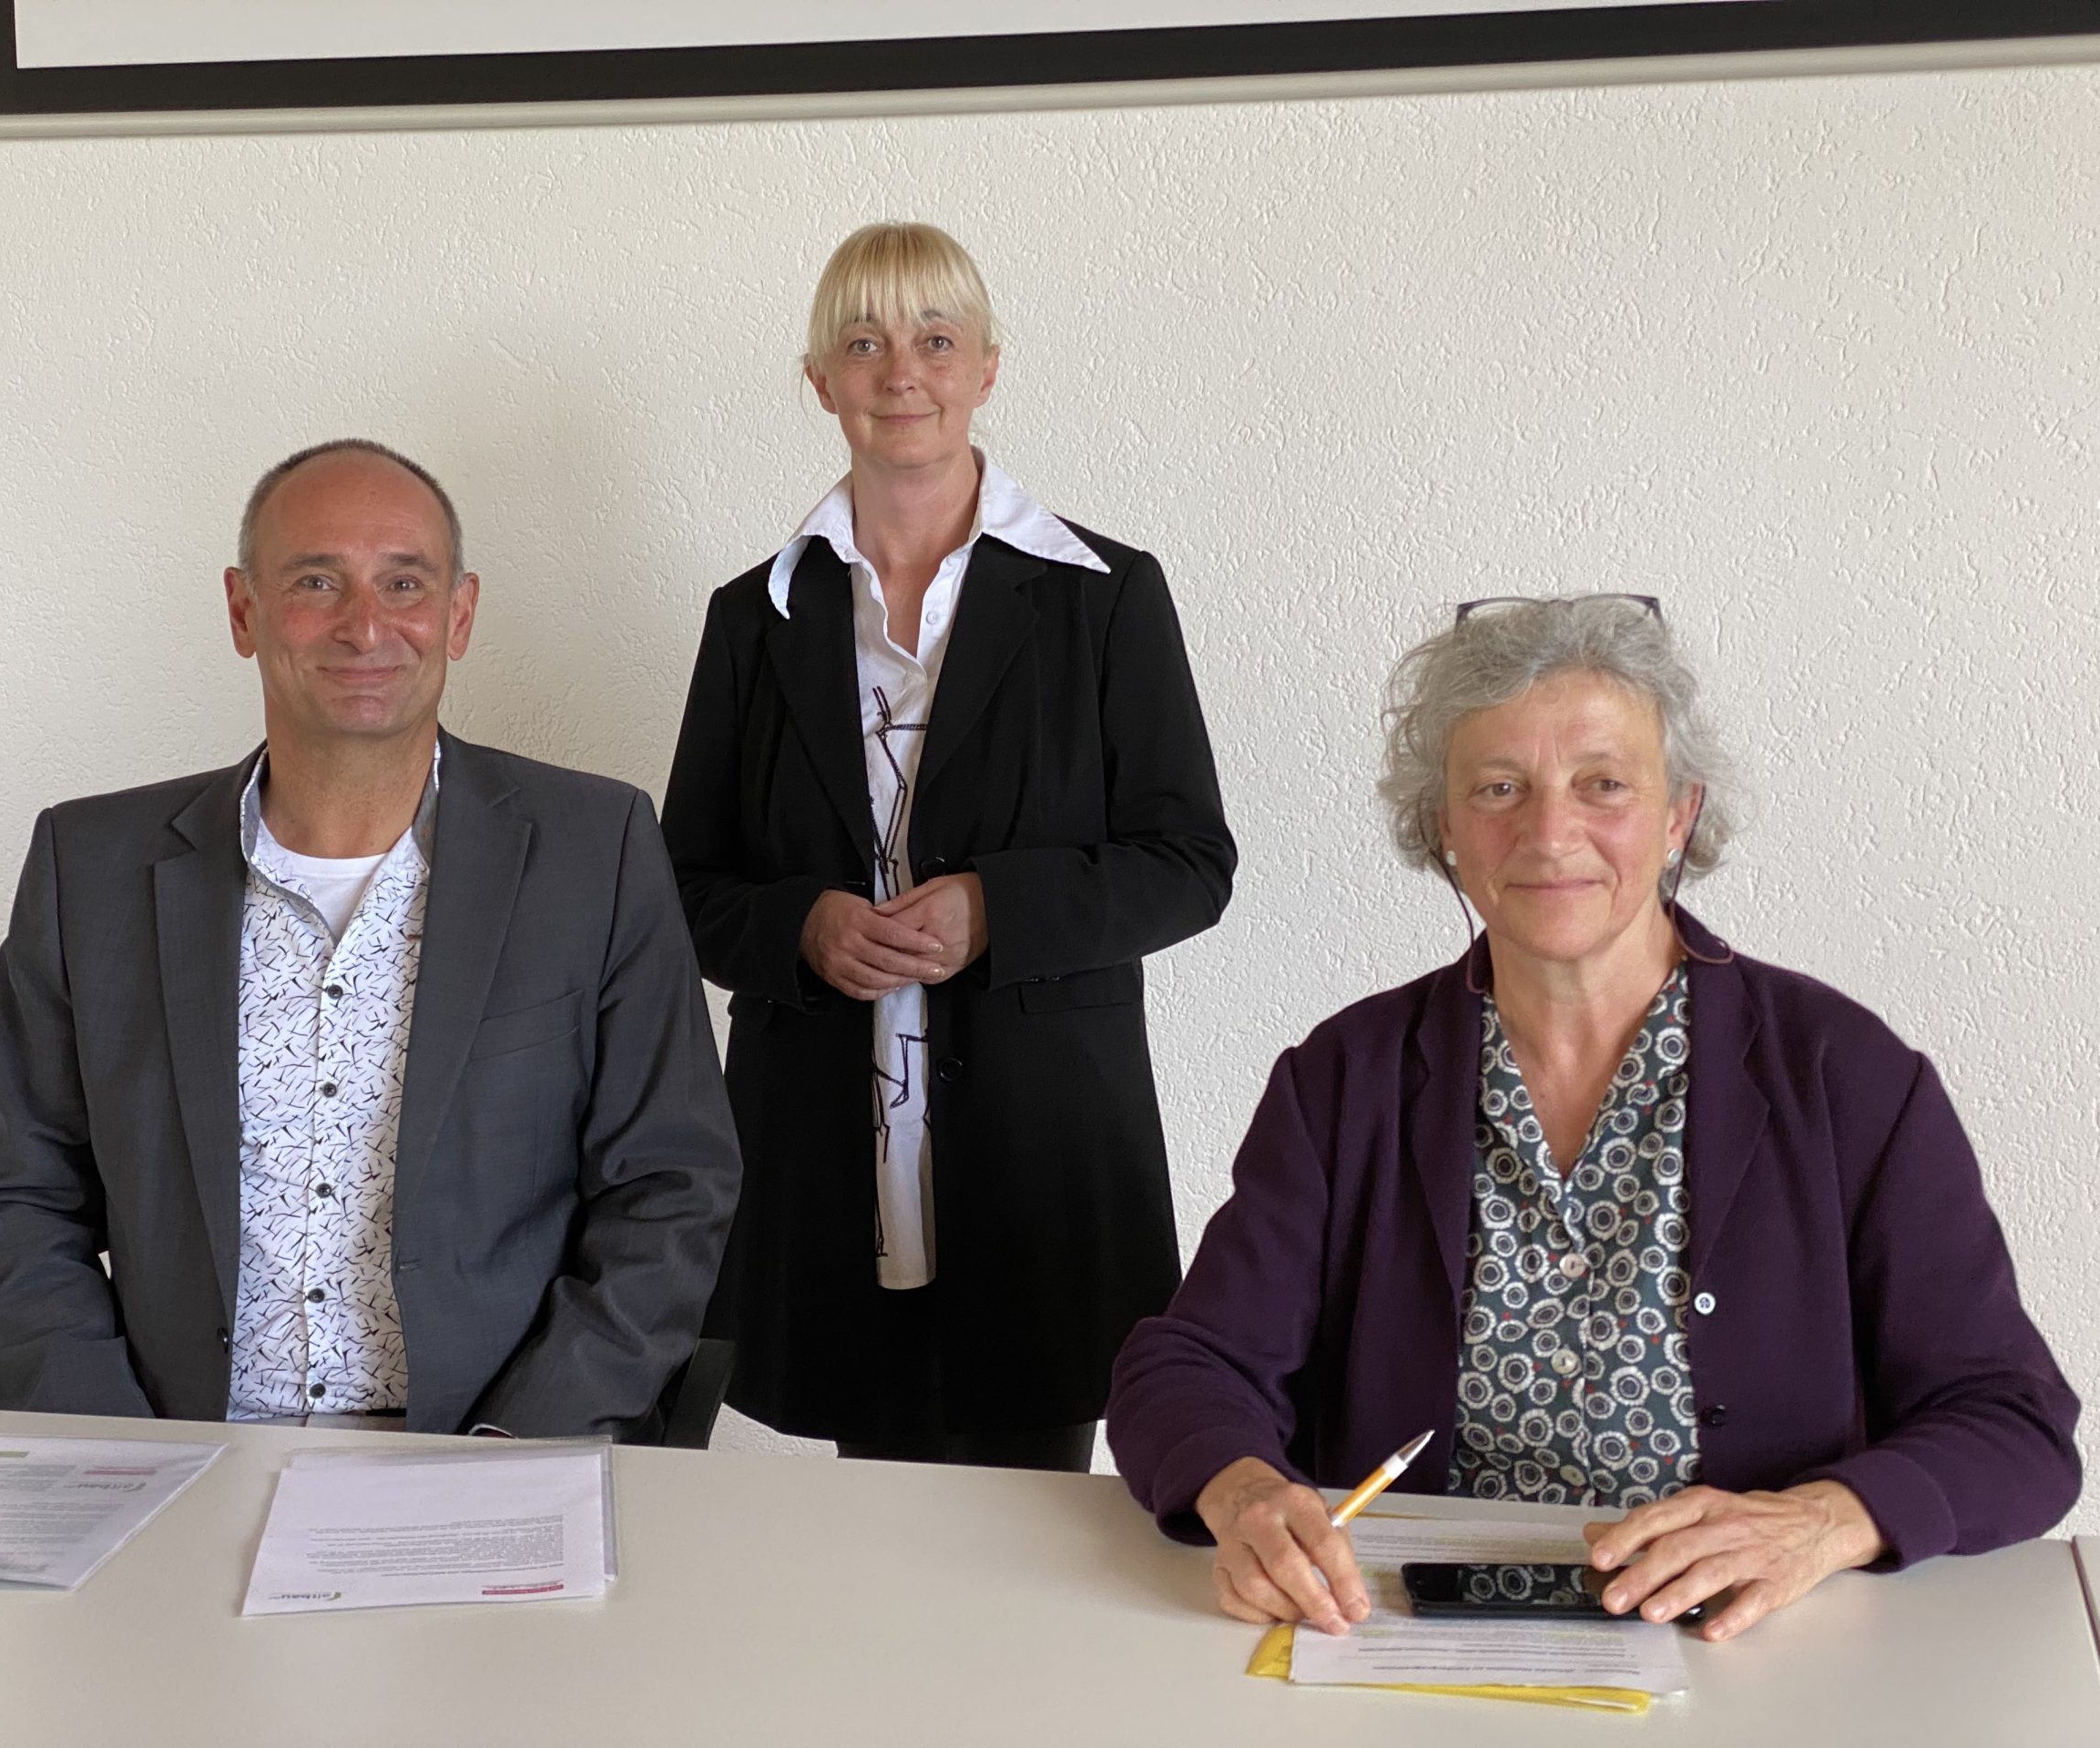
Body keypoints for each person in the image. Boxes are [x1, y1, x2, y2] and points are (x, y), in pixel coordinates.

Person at [1107, 594, 2079, 1640]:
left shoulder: (1846, 1074)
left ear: (1678, 816)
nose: (1549, 832)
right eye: (1498, 788)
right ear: (1443, 826)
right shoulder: (1346, 1076)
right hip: (1402, 1631)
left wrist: (1819, 1522)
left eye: (1603, 784)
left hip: (1750, 1646)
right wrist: (1243, 1490)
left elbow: (2014, 1424)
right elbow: (1186, 1368)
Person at [0, 439, 741, 1438]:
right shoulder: (91, 866)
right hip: (175, 1446)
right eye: (316, 581)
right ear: (244, 610)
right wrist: (110, 1442)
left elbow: (672, 1185)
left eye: (404, 583)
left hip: (487, 1450)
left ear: (459, 614)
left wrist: (517, 1445)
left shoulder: (596, 849)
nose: (365, 626)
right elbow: (16, 1196)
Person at [660, 222, 1236, 1470]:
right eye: (864, 343)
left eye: (934, 339)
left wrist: (996, 910)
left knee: (1028, 1539)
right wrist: (800, 928)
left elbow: (1191, 862)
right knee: (869, 1549)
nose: (901, 372)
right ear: (821, 380)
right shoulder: (755, 618)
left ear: (985, 367)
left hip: (1044, 1156)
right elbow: (683, 886)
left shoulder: (1104, 595)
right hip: (819, 1161)